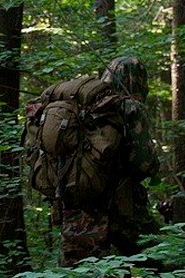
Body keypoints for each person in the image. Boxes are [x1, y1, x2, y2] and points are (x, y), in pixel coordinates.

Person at [56, 57, 161, 266]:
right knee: (168, 260)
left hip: (74, 216)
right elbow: (144, 163)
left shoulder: (80, 108)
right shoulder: (130, 108)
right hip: (119, 216)